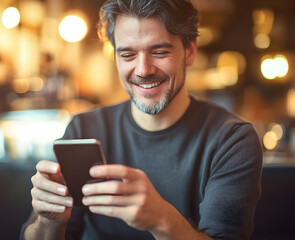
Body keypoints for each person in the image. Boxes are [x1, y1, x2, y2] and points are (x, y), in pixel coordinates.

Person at [21, 0, 262, 239]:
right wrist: (48, 221)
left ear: (190, 51)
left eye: (159, 52)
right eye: (128, 54)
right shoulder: (84, 129)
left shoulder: (232, 140)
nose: (143, 70)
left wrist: (161, 219)